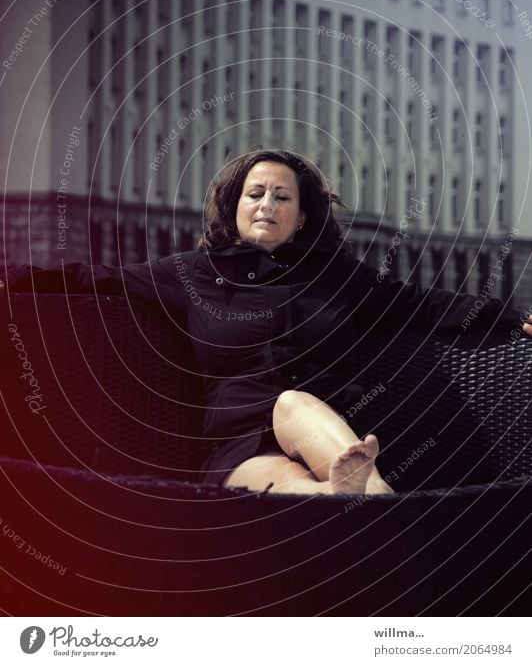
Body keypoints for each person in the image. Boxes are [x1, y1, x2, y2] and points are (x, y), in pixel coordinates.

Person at [5, 149, 532, 496]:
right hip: (237, 445)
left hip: (325, 426)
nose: (266, 204)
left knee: (293, 404)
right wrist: (11, 280)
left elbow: (420, 304)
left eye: (282, 197)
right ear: (234, 206)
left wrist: (515, 320)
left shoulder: (336, 277)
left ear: (301, 217)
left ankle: (374, 506)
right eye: (255, 194)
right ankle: (355, 501)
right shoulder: (188, 274)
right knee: (290, 486)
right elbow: (91, 278)